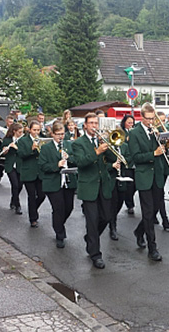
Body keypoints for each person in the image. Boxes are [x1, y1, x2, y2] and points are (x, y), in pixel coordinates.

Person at [72, 113, 115, 269]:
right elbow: (81, 162)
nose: (94, 126)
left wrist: (108, 146)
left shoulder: (101, 140)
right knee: (92, 220)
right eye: (91, 123)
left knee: (107, 217)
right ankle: (95, 254)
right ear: (85, 126)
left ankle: (90, 238)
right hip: (89, 186)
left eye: (96, 123)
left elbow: (111, 158)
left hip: (103, 185)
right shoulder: (78, 143)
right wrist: (96, 152)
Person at [128, 103, 164, 261]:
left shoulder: (156, 131)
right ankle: (152, 248)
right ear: (141, 117)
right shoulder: (134, 133)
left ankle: (139, 230)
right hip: (144, 176)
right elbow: (135, 157)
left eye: (152, 119)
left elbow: (164, 149)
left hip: (157, 175)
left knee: (155, 209)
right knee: (148, 212)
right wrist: (153, 153)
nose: (151, 121)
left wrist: (160, 140)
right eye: (148, 119)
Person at [39, 122, 77, 248]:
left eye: (62, 134)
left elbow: (76, 160)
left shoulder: (68, 144)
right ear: (52, 134)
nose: (61, 137)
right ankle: (59, 234)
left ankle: (58, 223)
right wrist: (57, 165)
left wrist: (69, 158)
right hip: (53, 182)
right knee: (58, 208)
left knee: (69, 207)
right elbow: (43, 166)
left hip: (67, 181)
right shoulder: (46, 148)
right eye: (58, 134)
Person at [17, 120, 46, 228]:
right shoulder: (23, 140)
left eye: (38, 130)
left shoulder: (42, 139)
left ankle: (33, 209)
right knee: (31, 196)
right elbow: (21, 155)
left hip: (40, 171)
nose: (36, 132)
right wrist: (32, 149)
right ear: (29, 130)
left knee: (42, 195)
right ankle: (33, 218)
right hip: (28, 172)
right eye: (34, 130)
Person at [153, 111, 169, 230]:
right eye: (159, 121)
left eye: (163, 121)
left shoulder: (164, 131)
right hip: (155, 164)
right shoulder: (152, 132)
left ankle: (159, 217)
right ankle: (164, 218)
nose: (162, 124)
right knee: (159, 194)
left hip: (164, 164)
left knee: (160, 193)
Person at [1, 123, 24, 214]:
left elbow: (24, 153)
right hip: (10, 166)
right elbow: (2, 152)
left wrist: (16, 148)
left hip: (20, 166)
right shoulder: (7, 140)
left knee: (20, 186)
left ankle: (13, 200)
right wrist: (5, 150)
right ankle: (17, 206)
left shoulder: (23, 140)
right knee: (15, 185)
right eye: (19, 132)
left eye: (22, 132)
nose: (21, 134)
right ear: (14, 131)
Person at [120, 114, 136, 214]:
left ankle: (129, 199)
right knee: (130, 185)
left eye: (132, 123)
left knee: (135, 185)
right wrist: (127, 140)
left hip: (135, 161)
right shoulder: (122, 132)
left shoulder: (134, 131)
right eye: (129, 122)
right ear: (124, 122)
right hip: (127, 162)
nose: (131, 125)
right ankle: (130, 204)